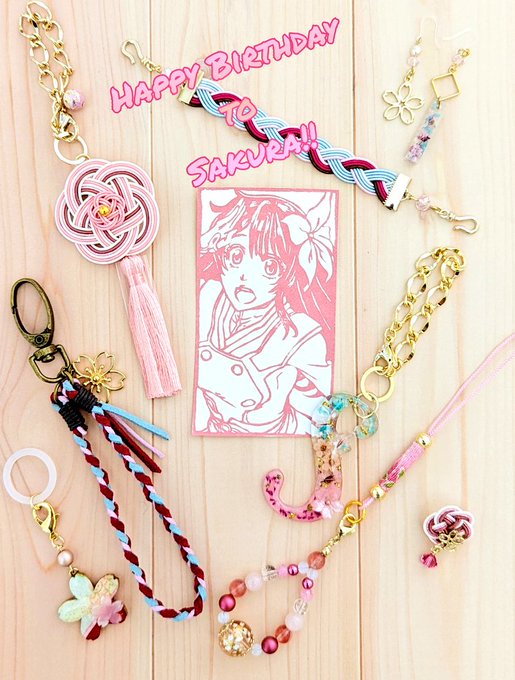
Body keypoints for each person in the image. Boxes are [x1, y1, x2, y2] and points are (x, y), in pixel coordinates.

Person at [195, 190, 336, 434]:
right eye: (236, 255)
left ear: (288, 271)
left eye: (269, 265)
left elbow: (319, 423)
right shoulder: (209, 296)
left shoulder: (301, 336)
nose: (245, 275)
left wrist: (270, 417)